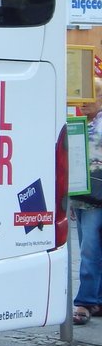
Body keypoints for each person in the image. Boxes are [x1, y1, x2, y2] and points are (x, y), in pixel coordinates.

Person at [74, 82, 102, 324]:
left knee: (89, 249)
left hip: (98, 196)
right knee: (89, 248)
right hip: (82, 197)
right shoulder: (79, 122)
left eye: (90, 97)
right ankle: (96, 300)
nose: (83, 102)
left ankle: (84, 302)